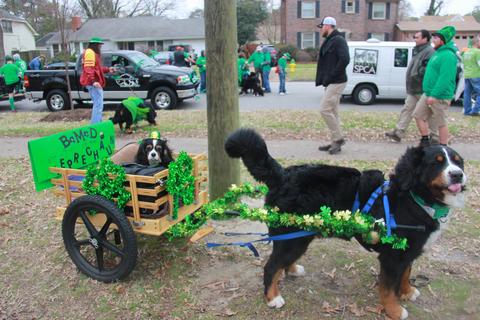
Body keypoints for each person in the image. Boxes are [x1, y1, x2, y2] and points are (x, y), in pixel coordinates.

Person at [385, 30, 437, 142]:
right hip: (414, 88)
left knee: (429, 113)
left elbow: (426, 70)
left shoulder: (429, 52)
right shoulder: (418, 50)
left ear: (425, 39)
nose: (415, 39)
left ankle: (435, 135)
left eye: (417, 37)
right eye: (414, 37)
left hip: (421, 88)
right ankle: (399, 132)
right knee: (407, 109)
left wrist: (416, 76)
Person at [413, 26, 458, 147]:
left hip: (440, 96)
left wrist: (435, 95)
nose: (433, 40)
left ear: (443, 40)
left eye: (436, 38)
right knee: (417, 115)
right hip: (428, 93)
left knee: (440, 122)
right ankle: (425, 141)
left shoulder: (448, 56)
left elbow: (445, 78)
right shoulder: (437, 53)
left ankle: (444, 146)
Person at [315, 16, 350, 155]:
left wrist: (332, 75)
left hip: (337, 81)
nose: (321, 29)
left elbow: (345, 59)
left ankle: (338, 138)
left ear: (328, 26)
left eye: (322, 26)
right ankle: (335, 142)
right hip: (331, 81)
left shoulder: (339, 40)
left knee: (324, 110)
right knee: (333, 113)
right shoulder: (330, 40)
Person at [80, 37, 115, 124]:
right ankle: (95, 126)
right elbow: (88, 68)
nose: (100, 47)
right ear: (95, 45)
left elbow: (97, 69)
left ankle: (97, 123)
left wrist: (108, 69)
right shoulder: (90, 53)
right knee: (98, 105)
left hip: (93, 82)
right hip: (93, 83)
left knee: (98, 104)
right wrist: (94, 81)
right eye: (99, 45)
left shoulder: (91, 53)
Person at [462, 37, 480, 116]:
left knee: (467, 94)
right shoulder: (478, 52)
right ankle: (475, 110)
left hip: (467, 75)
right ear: (476, 42)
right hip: (476, 75)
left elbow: (463, 65)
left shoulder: (466, 52)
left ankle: (467, 111)